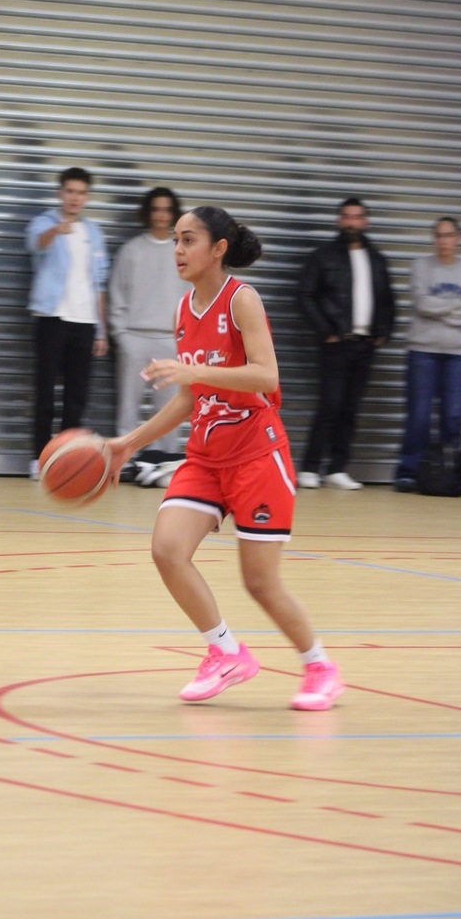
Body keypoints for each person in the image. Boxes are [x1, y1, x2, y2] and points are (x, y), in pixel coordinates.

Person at [106, 206, 344, 712]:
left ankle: (320, 666)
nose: (177, 250)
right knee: (167, 550)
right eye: (175, 240)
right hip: (206, 457)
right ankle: (226, 653)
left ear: (218, 249)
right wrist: (129, 442)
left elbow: (266, 376)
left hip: (257, 455)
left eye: (188, 240)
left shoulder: (242, 300)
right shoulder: (183, 310)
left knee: (260, 583)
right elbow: (188, 399)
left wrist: (196, 374)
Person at [297, 196, 395, 490]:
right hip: (336, 344)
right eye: (347, 216)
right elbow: (304, 295)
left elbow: (387, 299)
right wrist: (325, 330)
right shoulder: (324, 257)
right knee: (330, 405)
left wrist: (384, 330)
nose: (352, 222)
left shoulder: (376, 259)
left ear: (366, 221)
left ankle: (337, 468)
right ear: (340, 221)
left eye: (357, 217)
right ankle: (310, 468)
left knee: (351, 409)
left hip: (365, 345)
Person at [25, 167, 109, 478]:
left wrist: (101, 330)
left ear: (87, 197)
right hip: (53, 317)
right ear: (61, 193)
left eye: (81, 192)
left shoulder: (93, 233)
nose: (75, 197)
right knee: (45, 391)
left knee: (76, 396)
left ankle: (64, 459)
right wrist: (56, 232)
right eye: (70, 191)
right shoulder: (44, 223)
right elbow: (35, 244)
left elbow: (99, 283)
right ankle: (39, 457)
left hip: (84, 321)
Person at [394, 217, 461, 492]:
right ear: (434, 239)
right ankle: (408, 472)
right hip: (423, 351)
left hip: (458, 354)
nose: (444, 241)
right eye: (439, 235)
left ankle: (450, 473)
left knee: (452, 416)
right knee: (419, 415)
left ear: (458, 238)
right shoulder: (421, 266)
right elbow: (423, 304)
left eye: (449, 235)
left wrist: (442, 310)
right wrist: (457, 308)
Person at [108, 186, 188, 482]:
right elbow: (116, 293)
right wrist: (121, 335)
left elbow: (192, 296)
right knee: (128, 404)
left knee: (170, 406)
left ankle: (164, 462)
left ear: (174, 214)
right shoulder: (132, 250)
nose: (161, 215)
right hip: (135, 338)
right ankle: (125, 461)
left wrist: (184, 338)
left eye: (167, 209)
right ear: (147, 213)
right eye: (156, 209)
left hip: (170, 340)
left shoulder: (182, 252)